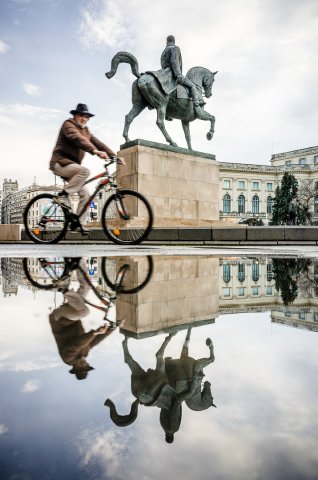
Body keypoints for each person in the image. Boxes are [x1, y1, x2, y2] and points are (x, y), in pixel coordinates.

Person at [49, 103, 119, 233]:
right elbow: (77, 138)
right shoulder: (68, 125)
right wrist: (94, 151)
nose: (84, 119)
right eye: (81, 115)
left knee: (86, 195)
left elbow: (99, 143)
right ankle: (63, 196)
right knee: (85, 171)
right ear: (75, 115)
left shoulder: (86, 131)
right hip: (59, 163)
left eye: (87, 117)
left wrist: (115, 156)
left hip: (72, 168)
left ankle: (78, 223)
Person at [160, 35, 205, 108]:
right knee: (192, 86)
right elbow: (174, 61)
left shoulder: (164, 51)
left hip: (164, 73)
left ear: (167, 42)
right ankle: (196, 102)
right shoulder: (175, 48)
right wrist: (178, 74)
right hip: (173, 73)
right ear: (174, 41)